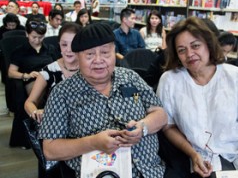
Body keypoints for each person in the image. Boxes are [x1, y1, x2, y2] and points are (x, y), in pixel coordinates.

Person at [38, 23, 177, 178]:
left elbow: (159, 113)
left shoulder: (130, 77)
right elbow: (50, 150)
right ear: (77, 57)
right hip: (98, 173)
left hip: (152, 171)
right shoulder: (62, 93)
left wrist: (143, 127)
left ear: (114, 53)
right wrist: (93, 142)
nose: (98, 60)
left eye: (105, 52)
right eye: (89, 54)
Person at [157, 17, 238, 178]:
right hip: (205, 158)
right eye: (181, 50)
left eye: (195, 46)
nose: (189, 54)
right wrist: (193, 154)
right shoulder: (170, 80)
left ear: (209, 44)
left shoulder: (236, 77)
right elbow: (168, 126)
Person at [24, 22, 81, 123]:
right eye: (64, 44)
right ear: (59, 44)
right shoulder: (49, 71)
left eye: (73, 44)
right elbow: (29, 102)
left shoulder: (91, 68)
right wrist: (36, 112)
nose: (68, 49)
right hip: (57, 123)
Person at [8, 18, 59, 95]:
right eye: (34, 37)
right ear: (27, 34)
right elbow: (11, 72)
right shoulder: (20, 51)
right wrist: (27, 75)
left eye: (41, 37)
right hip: (32, 80)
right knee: (39, 89)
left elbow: (58, 64)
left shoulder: (50, 49)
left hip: (50, 78)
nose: (37, 40)